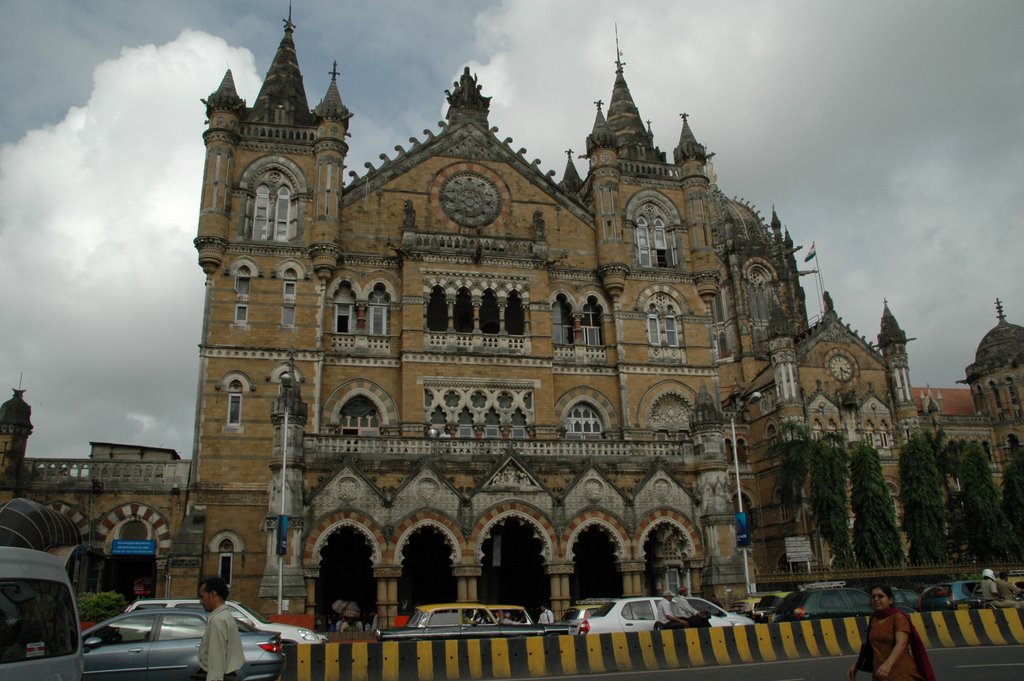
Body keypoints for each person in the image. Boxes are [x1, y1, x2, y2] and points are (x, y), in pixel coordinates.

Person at [848, 584, 935, 681]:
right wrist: (857, 664)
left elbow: (901, 643)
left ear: (890, 600)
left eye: (880, 596)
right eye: (873, 597)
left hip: (901, 673)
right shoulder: (874, 619)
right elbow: (870, 648)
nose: (876, 599)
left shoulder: (898, 617)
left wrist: (888, 664)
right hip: (880, 674)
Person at [196, 577, 245, 681]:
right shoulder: (226, 616)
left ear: (212, 594)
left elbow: (216, 659)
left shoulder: (218, 621)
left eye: (202, 596)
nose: (201, 601)